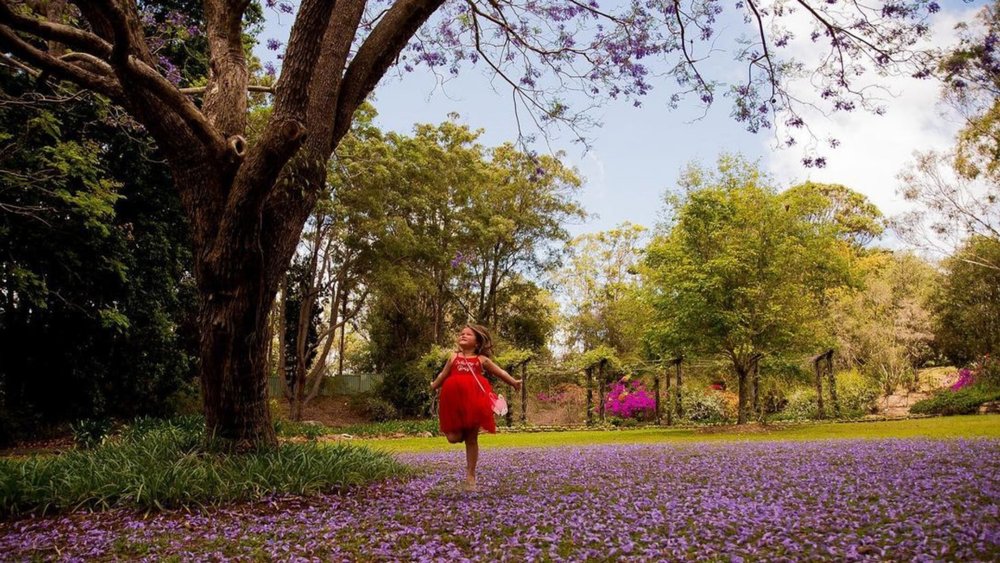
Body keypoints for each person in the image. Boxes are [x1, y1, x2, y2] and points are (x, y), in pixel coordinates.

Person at [430, 324, 521, 491]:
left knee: (472, 439)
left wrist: (513, 382)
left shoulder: (481, 360)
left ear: (477, 343)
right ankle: (464, 434)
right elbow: (443, 375)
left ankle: (470, 474)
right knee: (453, 438)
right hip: (454, 402)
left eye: (468, 334)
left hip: (475, 401)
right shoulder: (453, 357)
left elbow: (499, 372)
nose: (463, 335)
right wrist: (434, 385)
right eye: (461, 333)